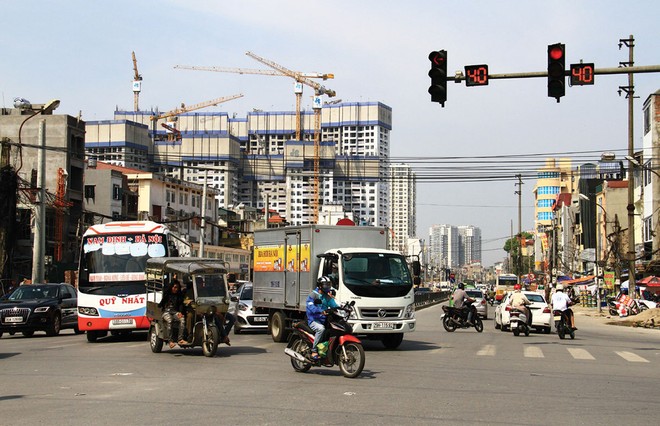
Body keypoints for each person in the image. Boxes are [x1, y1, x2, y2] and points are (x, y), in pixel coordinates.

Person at [305, 276, 339, 360]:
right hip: (313, 320)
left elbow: (333, 304)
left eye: (329, 285)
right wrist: (320, 311)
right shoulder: (313, 295)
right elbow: (310, 306)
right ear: (320, 286)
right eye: (325, 285)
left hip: (324, 320)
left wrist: (342, 308)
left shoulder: (327, 296)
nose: (327, 287)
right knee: (321, 329)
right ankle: (314, 351)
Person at [159, 279, 188, 348]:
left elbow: (181, 305)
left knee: (182, 319)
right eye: (174, 287)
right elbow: (161, 304)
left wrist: (180, 312)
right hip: (166, 312)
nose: (175, 289)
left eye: (177, 288)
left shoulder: (179, 296)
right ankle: (170, 341)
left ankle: (180, 339)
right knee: (170, 320)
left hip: (175, 312)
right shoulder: (167, 294)